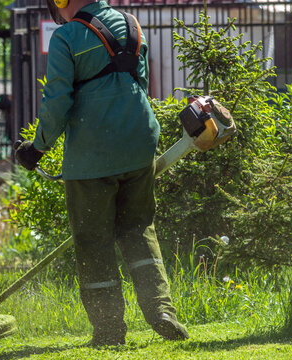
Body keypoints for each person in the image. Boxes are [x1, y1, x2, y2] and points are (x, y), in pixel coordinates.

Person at [14, 0, 188, 346]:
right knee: (138, 229)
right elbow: (140, 82)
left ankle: (109, 329)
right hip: (139, 143)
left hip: (93, 154)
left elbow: (57, 98)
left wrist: (37, 148)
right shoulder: (131, 24)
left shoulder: (66, 36)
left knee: (93, 240)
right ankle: (161, 310)